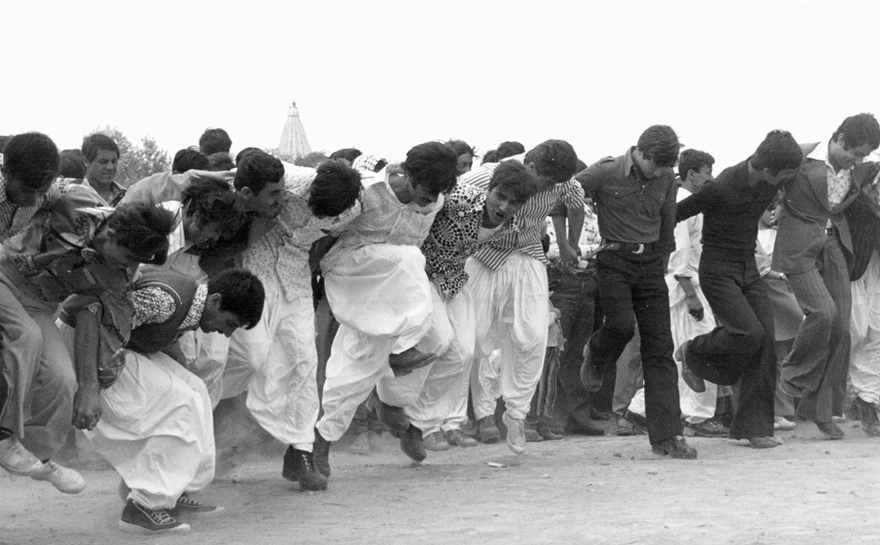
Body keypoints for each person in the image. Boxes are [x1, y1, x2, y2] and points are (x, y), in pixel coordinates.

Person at [58, 267, 264, 534]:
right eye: (230, 324)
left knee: (196, 390)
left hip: (112, 345)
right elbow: (90, 313)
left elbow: (145, 327)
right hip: (85, 345)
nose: (226, 334)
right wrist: (88, 386)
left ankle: (173, 490)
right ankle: (142, 507)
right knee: (179, 403)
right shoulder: (166, 300)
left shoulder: (190, 300)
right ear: (215, 301)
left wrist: (176, 361)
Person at [0, 184, 175, 493]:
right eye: (128, 258)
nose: (131, 267)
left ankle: (36, 456)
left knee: (63, 382)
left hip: (38, 304)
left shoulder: (117, 276)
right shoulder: (77, 201)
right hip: (3, 273)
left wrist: (91, 388)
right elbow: (37, 186)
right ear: (112, 236)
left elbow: (103, 322)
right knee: (25, 337)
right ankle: (3, 437)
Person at [314, 142, 458, 475]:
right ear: (405, 172)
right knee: (409, 259)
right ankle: (321, 442)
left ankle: (391, 405)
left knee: (440, 339)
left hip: (399, 286)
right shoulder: (365, 191)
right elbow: (320, 235)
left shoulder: (436, 200)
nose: (426, 203)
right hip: (353, 272)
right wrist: (309, 285)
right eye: (421, 194)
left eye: (432, 198)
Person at [221, 160, 362, 491]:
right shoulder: (287, 182)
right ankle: (213, 410)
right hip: (254, 278)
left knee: (303, 361)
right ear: (310, 189)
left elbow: (333, 237)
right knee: (252, 355)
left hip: (297, 281)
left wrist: (314, 261)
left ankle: (300, 451)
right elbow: (244, 178)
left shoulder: (353, 208)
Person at [675, 130, 803, 448]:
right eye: (786, 174)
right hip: (718, 270)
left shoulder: (770, 175)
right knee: (749, 332)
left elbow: (799, 152)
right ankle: (692, 352)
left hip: (748, 268)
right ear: (768, 170)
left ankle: (755, 429)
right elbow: (676, 214)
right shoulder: (722, 187)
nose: (789, 180)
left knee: (766, 342)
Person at [577, 125, 696, 459]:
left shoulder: (666, 180)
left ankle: (668, 436)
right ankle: (597, 353)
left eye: (665, 168)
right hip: (613, 259)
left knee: (660, 348)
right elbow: (567, 196)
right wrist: (570, 238)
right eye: (654, 165)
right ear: (640, 152)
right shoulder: (606, 171)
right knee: (621, 326)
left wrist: (663, 262)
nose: (658, 173)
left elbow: (668, 222)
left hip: (650, 266)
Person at [461, 139, 584, 454]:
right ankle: (459, 417)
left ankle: (517, 412)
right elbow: (451, 198)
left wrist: (568, 243)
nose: (549, 188)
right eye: (544, 182)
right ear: (530, 167)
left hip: (528, 255)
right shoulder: (489, 174)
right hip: (486, 255)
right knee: (472, 338)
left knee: (532, 335)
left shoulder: (562, 182)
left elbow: (577, 201)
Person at [407, 161, 539, 451]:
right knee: (437, 341)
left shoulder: (512, 227)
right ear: (489, 189)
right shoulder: (459, 199)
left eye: (513, 203)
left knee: (464, 353)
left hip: (454, 282)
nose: (503, 207)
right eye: (499, 196)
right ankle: (416, 422)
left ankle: (426, 422)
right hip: (421, 276)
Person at [775, 113, 880, 438]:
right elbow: (766, 176)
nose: (855, 159)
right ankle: (791, 377)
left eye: (862, 155)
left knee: (843, 331)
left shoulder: (860, 171)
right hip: (800, 248)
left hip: (835, 246)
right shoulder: (802, 164)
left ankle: (819, 410)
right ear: (837, 138)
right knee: (824, 313)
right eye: (852, 151)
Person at [666, 149, 728, 438]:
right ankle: (699, 418)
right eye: (707, 173)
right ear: (691, 174)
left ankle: (637, 412)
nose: (711, 179)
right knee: (702, 349)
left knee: (683, 354)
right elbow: (679, 255)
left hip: (689, 284)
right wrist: (691, 295)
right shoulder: (681, 204)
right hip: (684, 288)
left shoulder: (692, 203)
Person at [843, 161, 880, 436]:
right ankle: (855, 391)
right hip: (856, 273)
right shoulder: (857, 204)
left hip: (874, 272)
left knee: (876, 334)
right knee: (858, 331)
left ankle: (866, 399)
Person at [0, 132, 68, 242]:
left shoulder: (50, 191)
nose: (33, 202)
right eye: (25, 191)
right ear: (5, 173)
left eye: (42, 192)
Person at [80, 133, 127, 206]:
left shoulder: (126, 197)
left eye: (114, 161)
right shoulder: (74, 197)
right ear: (86, 161)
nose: (110, 167)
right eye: (103, 162)